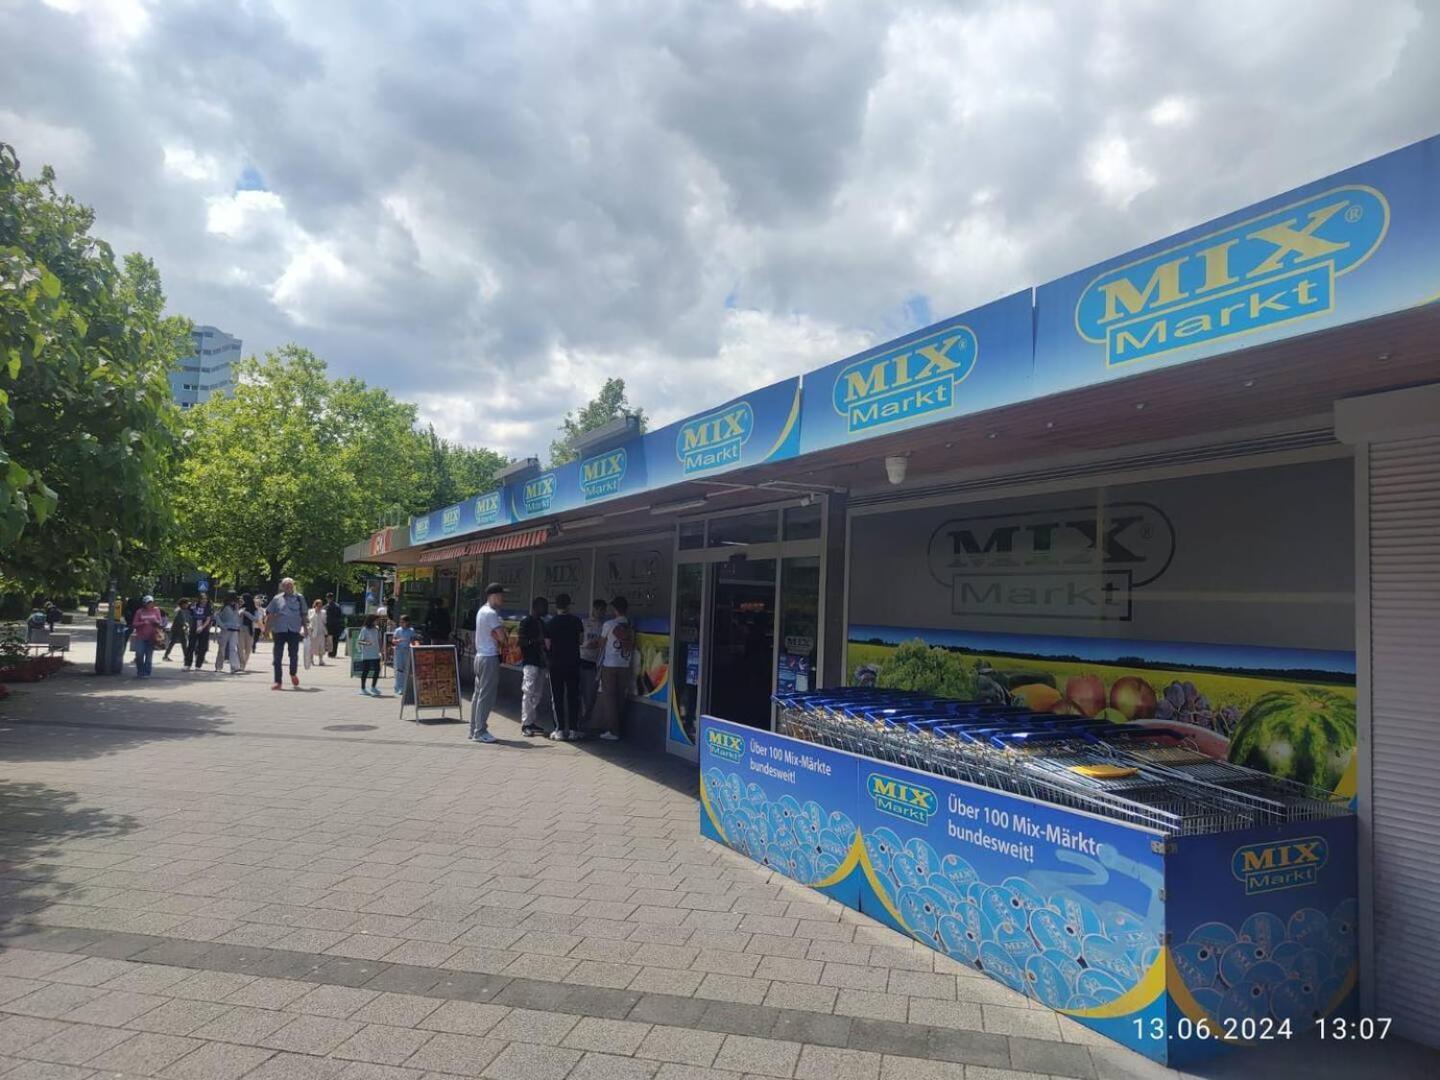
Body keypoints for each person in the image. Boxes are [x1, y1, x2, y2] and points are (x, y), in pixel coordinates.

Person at [469, 582, 505, 744]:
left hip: (479, 656)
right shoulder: (491, 613)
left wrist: (497, 634)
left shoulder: (482, 611)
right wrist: (500, 633)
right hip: (489, 657)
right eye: (501, 595)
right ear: (493, 596)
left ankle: (473, 729)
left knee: (478, 695)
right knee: (486, 696)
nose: (502, 599)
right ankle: (480, 731)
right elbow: (502, 637)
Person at [546, 593, 585, 741]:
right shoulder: (577, 621)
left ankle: (560, 730)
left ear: (556, 606)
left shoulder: (551, 623)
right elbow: (581, 641)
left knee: (557, 696)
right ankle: (574, 730)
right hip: (573, 663)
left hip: (556, 664)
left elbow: (548, 645)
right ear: (569, 605)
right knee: (573, 696)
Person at [596, 596, 633, 742]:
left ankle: (613, 731)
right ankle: (619, 728)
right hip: (625, 665)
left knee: (609, 699)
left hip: (610, 665)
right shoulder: (630, 624)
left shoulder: (609, 624)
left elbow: (601, 644)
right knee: (620, 697)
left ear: (615, 609)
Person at [265, 577, 308, 690]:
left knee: (293, 655)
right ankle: (277, 681)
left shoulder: (300, 598)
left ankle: (293, 673)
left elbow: (304, 614)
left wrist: (306, 628)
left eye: (290, 585)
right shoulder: (276, 599)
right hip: (279, 630)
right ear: (282, 587)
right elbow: (269, 614)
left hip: (294, 630)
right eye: (286, 585)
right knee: (277, 656)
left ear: (293, 586)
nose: (288, 587)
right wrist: (266, 629)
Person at [517, 596, 550, 737]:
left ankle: (531, 721)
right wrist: (536, 640)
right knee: (528, 691)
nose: (546, 609)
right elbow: (521, 642)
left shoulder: (542, 623)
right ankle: (525, 724)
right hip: (530, 661)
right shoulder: (526, 622)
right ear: (536, 607)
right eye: (544, 606)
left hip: (541, 662)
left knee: (538, 694)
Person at [579, 598, 606, 731]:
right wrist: (584, 645)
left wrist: (597, 644)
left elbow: (603, 643)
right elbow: (578, 639)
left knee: (590, 695)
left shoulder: (604, 626)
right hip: (581, 660)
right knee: (578, 693)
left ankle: (586, 720)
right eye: (598, 609)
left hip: (593, 664)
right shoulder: (584, 623)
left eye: (602, 610)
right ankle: (577, 722)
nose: (599, 612)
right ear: (593, 609)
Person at [131, 596, 164, 678]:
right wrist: (143, 622)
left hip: (152, 636)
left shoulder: (156, 610)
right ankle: (140, 672)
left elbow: (160, 622)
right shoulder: (139, 612)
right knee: (139, 654)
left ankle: (147, 672)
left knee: (149, 656)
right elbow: (134, 624)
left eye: (151, 603)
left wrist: (156, 622)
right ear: (144, 604)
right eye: (148, 603)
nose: (150, 605)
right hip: (141, 636)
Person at [214, 593, 243, 673]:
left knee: (232, 648)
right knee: (222, 649)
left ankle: (234, 667)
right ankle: (219, 666)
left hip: (234, 630)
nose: (236, 602)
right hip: (226, 630)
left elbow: (236, 619)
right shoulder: (225, 608)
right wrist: (222, 626)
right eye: (235, 600)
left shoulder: (236, 608)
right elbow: (217, 616)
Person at [355, 614, 382, 695]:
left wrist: (381, 649)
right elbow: (359, 641)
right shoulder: (364, 629)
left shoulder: (377, 629)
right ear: (372, 620)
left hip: (375, 653)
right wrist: (366, 643)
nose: (378, 622)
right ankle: (363, 688)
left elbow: (379, 640)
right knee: (365, 671)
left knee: (377, 670)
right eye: (376, 620)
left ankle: (373, 687)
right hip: (367, 654)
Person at [392, 614, 418, 696]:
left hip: (407, 651)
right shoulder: (397, 630)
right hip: (399, 651)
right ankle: (398, 687)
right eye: (400, 622)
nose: (401, 623)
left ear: (407, 622)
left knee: (406, 669)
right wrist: (397, 641)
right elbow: (393, 640)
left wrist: (414, 644)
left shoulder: (411, 630)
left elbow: (413, 640)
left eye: (403, 622)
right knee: (399, 669)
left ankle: (405, 687)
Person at [187, 593, 214, 670]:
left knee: (202, 648)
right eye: (202, 599)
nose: (204, 600)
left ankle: (198, 665)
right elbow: (189, 614)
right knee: (191, 646)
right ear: (199, 599)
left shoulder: (208, 608)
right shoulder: (194, 606)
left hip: (204, 629)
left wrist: (202, 627)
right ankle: (187, 664)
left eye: (205, 599)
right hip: (194, 628)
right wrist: (189, 625)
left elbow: (208, 619)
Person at [237, 594, 258, 670]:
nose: (241, 600)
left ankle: (244, 663)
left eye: (243, 599)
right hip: (240, 630)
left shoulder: (254, 610)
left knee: (248, 649)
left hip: (249, 630)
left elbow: (255, 619)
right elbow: (237, 616)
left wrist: (246, 613)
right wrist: (240, 611)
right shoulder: (240, 608)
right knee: (240, 648)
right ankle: (241, 664)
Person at [305, 599, 328, 668]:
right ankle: (311, 660)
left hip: (321, 631)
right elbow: (310, 619)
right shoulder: (311, 611)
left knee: (321, 646)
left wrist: (320, 613)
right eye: (319, 605)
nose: (320, 607)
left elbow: (325, 621)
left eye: (321, 605)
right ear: (315, 605)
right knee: (312, 646)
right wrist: (315, 612)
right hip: (313, 631)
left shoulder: (323, 612)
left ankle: (321, 660)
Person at [325, 594, 344, 658]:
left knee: (331, 639)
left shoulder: (327, 606)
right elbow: (340, 616)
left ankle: (331, 653)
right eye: (328, 598)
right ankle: (332, 653)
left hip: (331, 625)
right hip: (335, 625)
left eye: (329, 598)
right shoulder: (337, 606)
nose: (329, 599)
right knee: (334, 640)